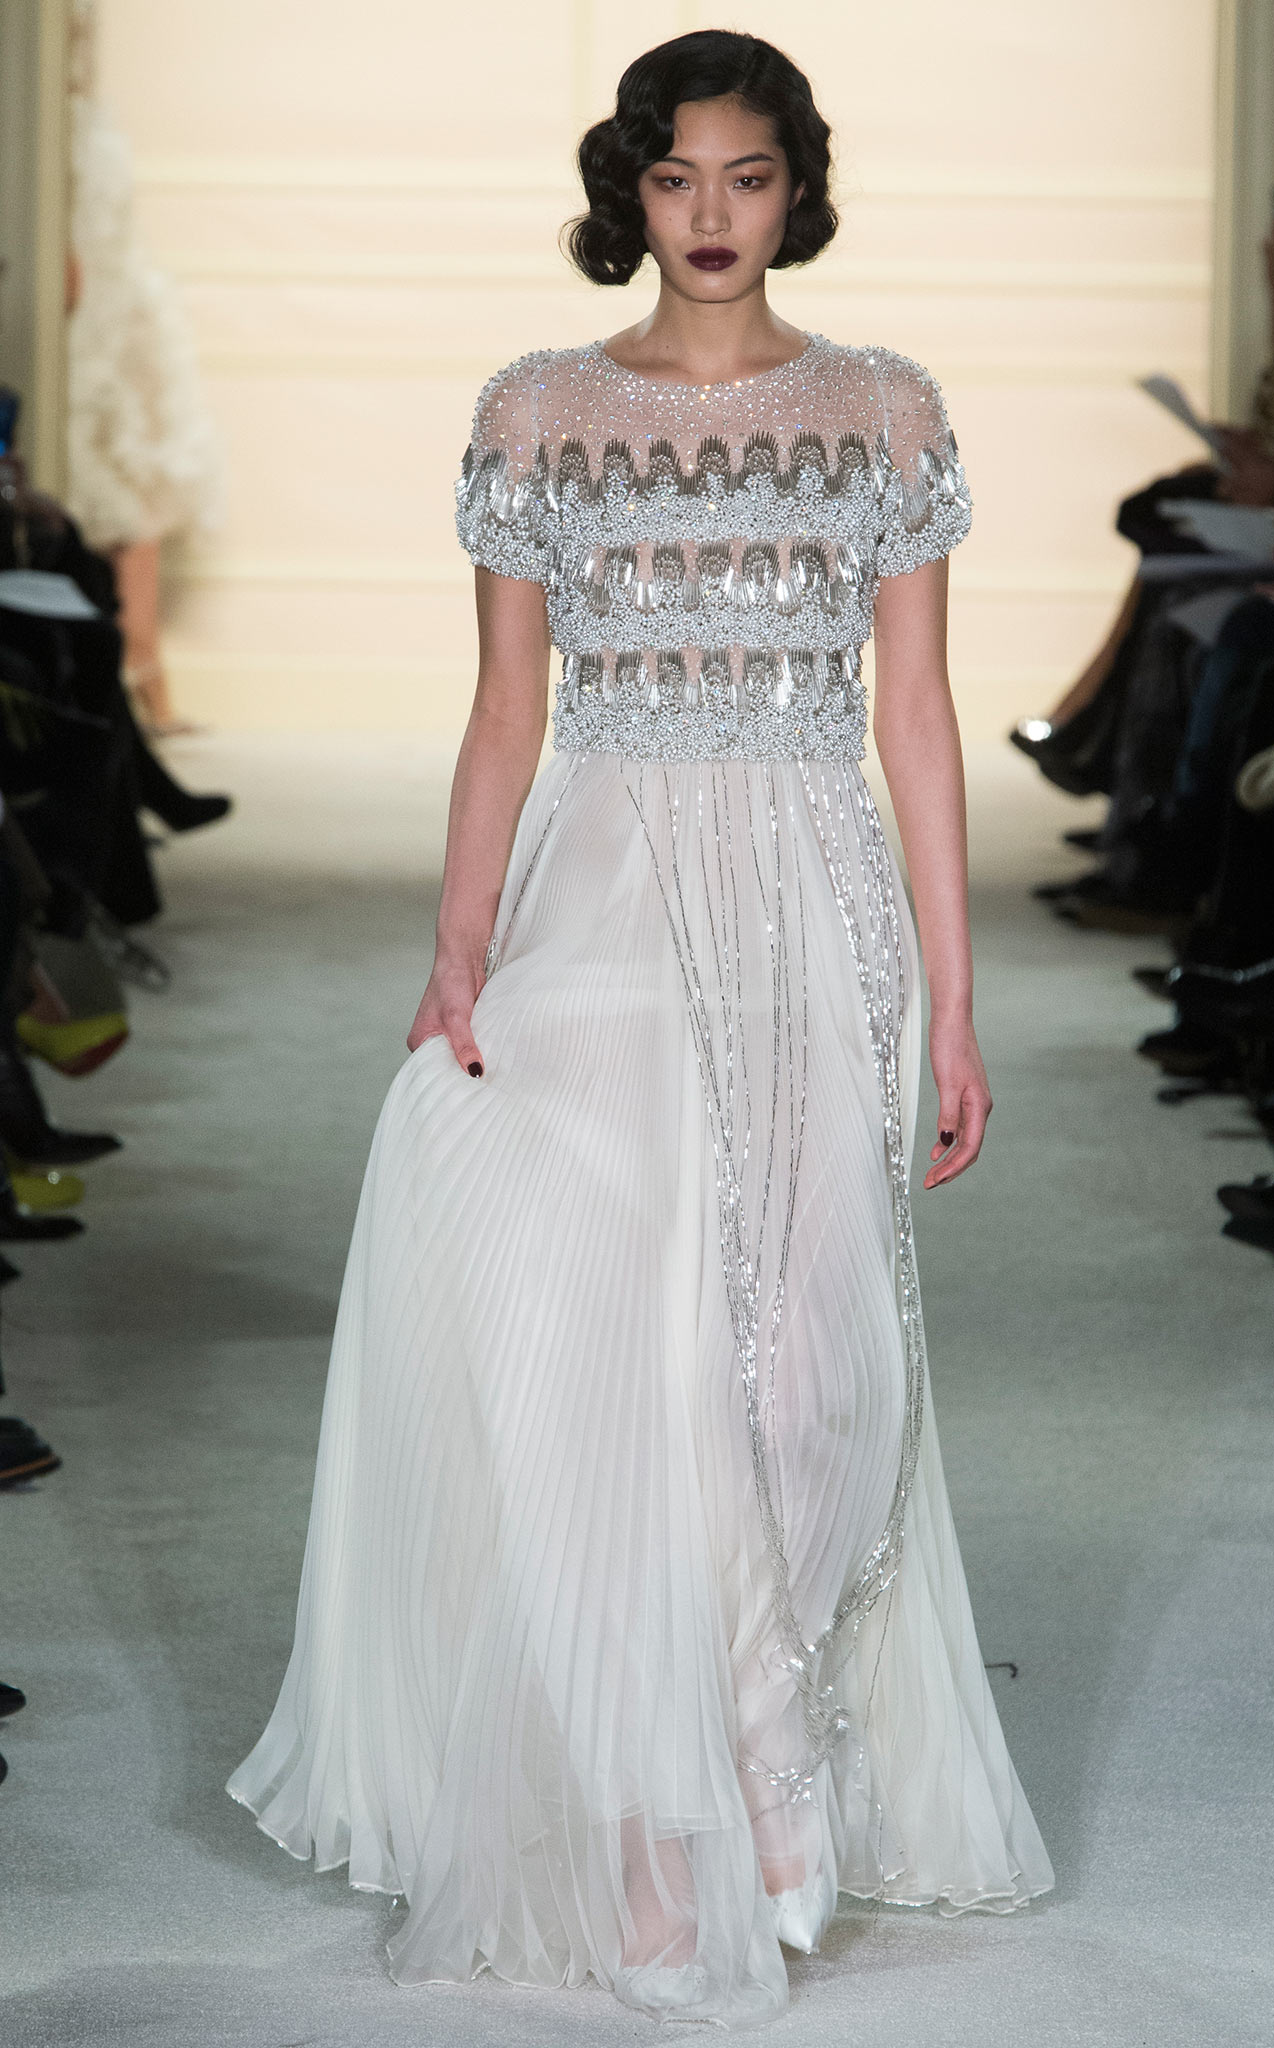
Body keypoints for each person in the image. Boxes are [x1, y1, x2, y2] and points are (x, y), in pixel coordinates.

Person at [227, 30, 1053, 2028]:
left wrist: (955, 999)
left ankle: (757, 1743)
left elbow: (916, 717)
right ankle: (686, 1814)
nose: (708, 213)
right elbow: (504, 707)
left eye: (745, 177)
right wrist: (456, 951)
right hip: (596, 895)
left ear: (796, 189)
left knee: (810, 1370)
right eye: (674, 176)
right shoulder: (536, 411)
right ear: (628, 189)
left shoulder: (882, 410)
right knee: (618, 1363)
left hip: (815, 912)